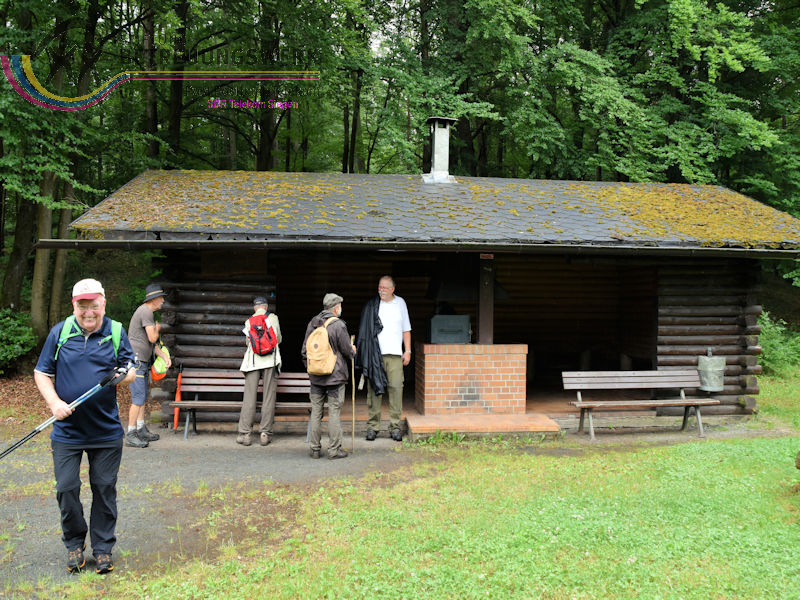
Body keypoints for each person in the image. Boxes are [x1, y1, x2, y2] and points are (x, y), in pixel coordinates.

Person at [33, 278, 136, 575]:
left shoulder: (115, 331)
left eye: (94, 305)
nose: (88, 312)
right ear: (74, 305)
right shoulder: (60, 332)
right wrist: (54, 403)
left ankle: (103, 549)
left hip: (105, 431)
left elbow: (131, 369)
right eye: (82, 305)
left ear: (103, 303)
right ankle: (74, 544)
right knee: (66, 489)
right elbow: (42, 373)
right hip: (67, 432)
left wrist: (123, 376)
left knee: (104, 489)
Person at [356, 275, 411, 442]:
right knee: (374, 391)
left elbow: (406, 329)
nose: (381, 290)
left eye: (385, 288)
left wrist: (407, 351)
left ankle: (395, 427)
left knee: (396, 389)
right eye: (380, 287)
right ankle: (373, 427)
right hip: (375, 355)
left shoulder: (400, 303)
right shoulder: (372, 305)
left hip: (395, 355)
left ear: (393, 289)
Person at [301, 293, 356, 460]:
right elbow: (347, 351)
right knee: (334, 412)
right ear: (336, 308)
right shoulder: (338, 325)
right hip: (335, 378)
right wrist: (353, 350)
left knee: (316, 412)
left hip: (316, 377)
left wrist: (313, 369)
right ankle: (334, 450)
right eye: (340, 305)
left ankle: (314, 449)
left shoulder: (313, 323)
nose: (341, 308)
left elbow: (304, 351)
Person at [126, 283, 171, 448]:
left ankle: (141, 429)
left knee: (142, 395)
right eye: (161, 298)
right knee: (138, 397)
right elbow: (153, 338)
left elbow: (151, 344)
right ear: (154, 299)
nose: (163, 301)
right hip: (137, 361)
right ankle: (131, 434)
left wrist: (164, 357)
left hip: (142, 361)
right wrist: (157, 329)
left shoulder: (146, 312)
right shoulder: (146, 312)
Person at [237, 296, 282, 446]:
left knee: (249, 397)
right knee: (268, 397)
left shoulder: (249, 321)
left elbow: (248, 342)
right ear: (266, 307)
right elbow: (278, 339)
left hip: (252, 362)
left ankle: (245, 434)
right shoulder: (273, 318)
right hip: (270, 361)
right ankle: (265, 434)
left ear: (254, 308)